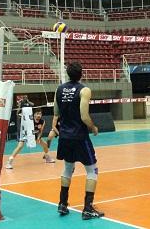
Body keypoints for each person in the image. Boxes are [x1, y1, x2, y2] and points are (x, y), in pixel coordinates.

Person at [54, 61, 104, 220]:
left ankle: (62, 204)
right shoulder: (84, 90)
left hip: (64, 136)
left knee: (68, 169)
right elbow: (84, 116)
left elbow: (56, 112)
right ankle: (88, 208)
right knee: (92, 170)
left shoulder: (59, 89)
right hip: (79, 137)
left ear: (68, 73)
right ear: (81, 73)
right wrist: (93, 127)